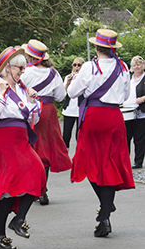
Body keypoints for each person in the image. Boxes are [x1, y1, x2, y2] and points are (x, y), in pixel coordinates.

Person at [0, 47, 45, 249]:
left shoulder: (23, 89)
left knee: (38, 172)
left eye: (23, 68)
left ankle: (18, 219)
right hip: (2, 140)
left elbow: (34, 118)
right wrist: (4, 93)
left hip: (20, 138)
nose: (23, 72)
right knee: (5, 188)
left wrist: (32, 101)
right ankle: (0, 235)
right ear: (7, 68)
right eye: (20, 68)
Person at [67, 29, 134, 237]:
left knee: (88, 161)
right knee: (111, 162)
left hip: (94, 116)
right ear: (112, 48)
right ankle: (106, 209)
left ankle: (106, 208)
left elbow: (72, 93)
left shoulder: (89, 67)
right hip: (114, 116)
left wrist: (72, 81)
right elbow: (125, 95)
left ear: (96, 47)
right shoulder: (123, 67)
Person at [21, 39, 71, 205]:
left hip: (30, 108)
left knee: (30, 147)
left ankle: (34, 188)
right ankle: (43, 189)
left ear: (29, 56)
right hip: (48, 110)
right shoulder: (53, 73)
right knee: (45, 149)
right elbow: (60, 96)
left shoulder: (25, 72)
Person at [122, 55, 145, 169]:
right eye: (134, 65)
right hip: (128, 111)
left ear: (143, 65)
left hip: (141, 112)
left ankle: (138, 162)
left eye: (139, 64)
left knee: (139, 138)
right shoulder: (130, 78)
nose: (137, 67)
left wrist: (143, 98)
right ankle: (125, 162)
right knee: (126, 138)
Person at [62, 57, 85, 149]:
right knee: (66, 134)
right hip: (69, 109)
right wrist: (67, 83)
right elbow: (63, 94)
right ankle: (65, 158)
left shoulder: (84, 78)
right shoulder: (68, 77)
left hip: (80, 109)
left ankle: (79, 157)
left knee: (79, 135)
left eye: (79, 65)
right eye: (74, 65)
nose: (76, 67)